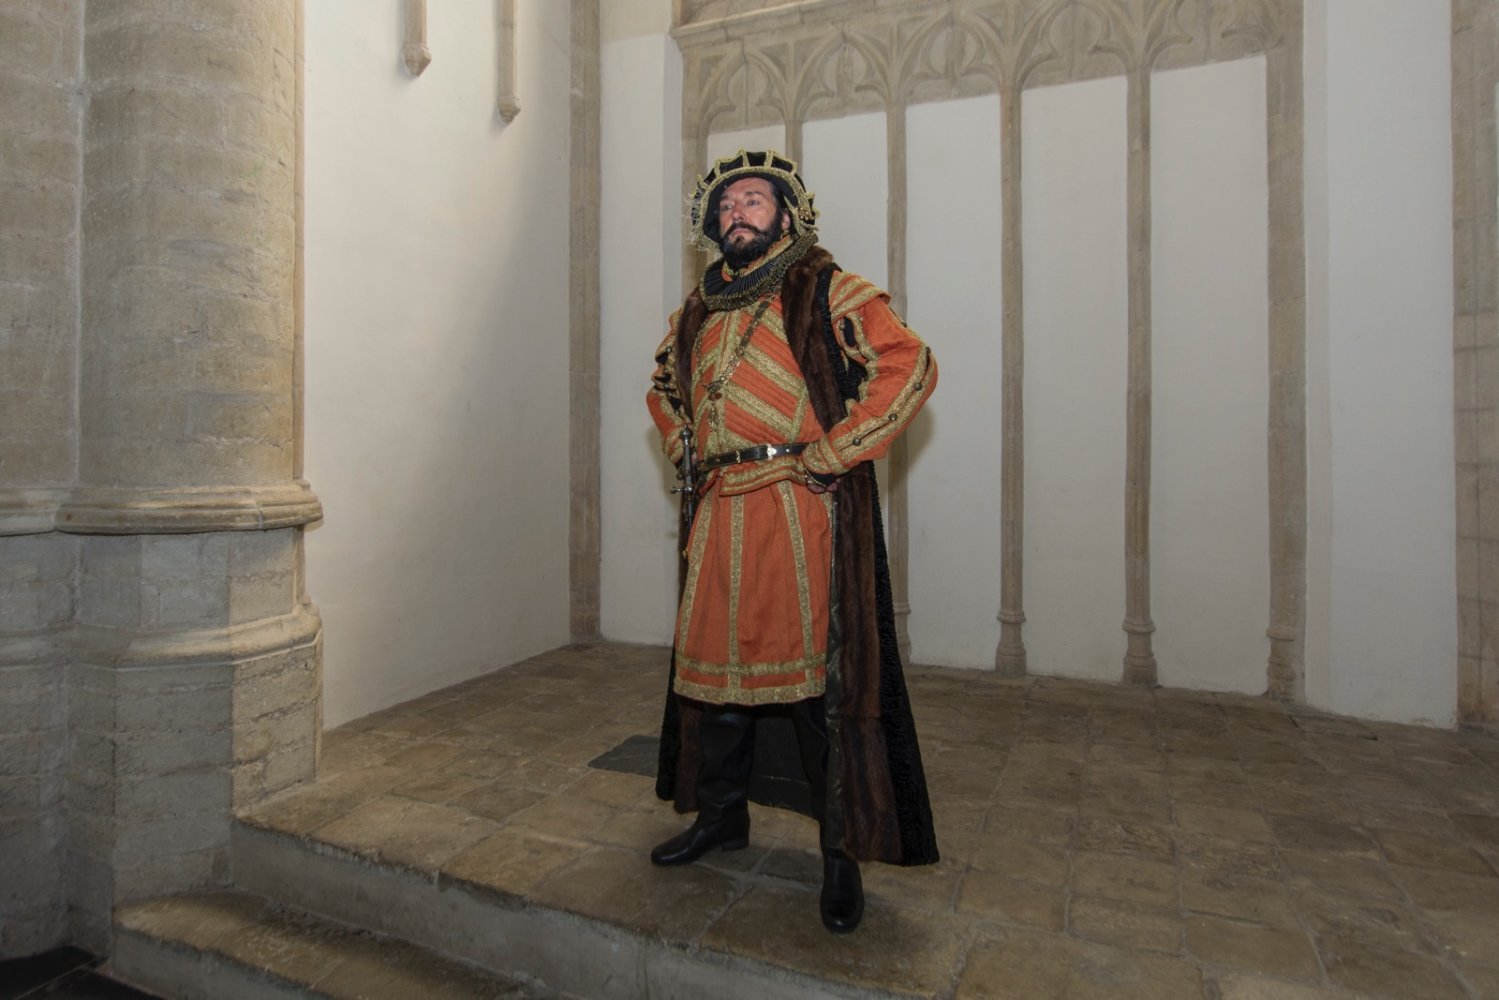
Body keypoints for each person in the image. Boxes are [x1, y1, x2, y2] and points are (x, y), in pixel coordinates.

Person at [646, 150, 939, 933]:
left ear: (785, 214)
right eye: (726, 204)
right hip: (718, 512)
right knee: (713, 687)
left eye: (753, 199)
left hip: (794, 507)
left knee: (817, 692)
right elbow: (664, 388)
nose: (737, 212)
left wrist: (835, 452)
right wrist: (682, 443)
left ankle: (839, 855)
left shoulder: (826, 287)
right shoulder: (696, 311)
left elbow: (907, 364)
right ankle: (720, 818)